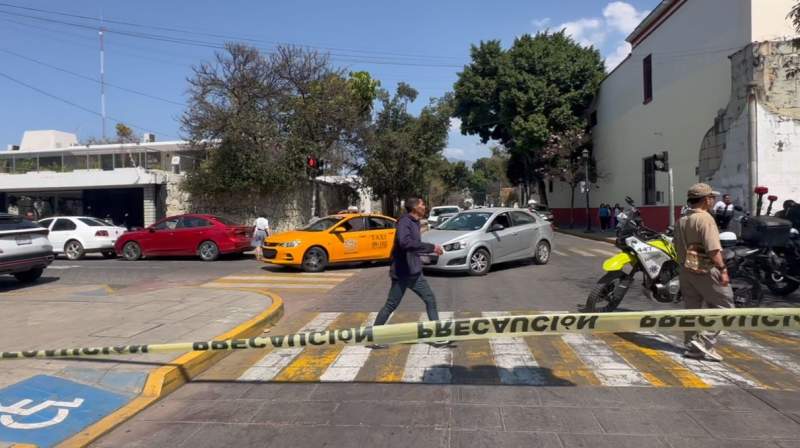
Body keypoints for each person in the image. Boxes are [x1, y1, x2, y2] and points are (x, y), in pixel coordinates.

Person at [370, 197, 445, 349]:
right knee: (391, 305)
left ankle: (437, 336)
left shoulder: (416, 222)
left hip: (414, 272)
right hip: (402, 273)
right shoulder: (404, 222)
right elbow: (404, 243)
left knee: (430, 299)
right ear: (414, 207)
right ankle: (374, 336)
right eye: (422, 204)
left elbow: (414, 246)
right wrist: (431, 248)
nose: (425, 206)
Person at [674, 183, 734, 362]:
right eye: (712, 197)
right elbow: (713, 250)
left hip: (685, 270)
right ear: (706, 200)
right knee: (726, 308)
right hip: (705, 270)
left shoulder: (682, 220)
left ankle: (691, 345)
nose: (714, 200)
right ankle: (703, 341)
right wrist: (723, 270)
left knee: (691, 309)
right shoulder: (705, 219)